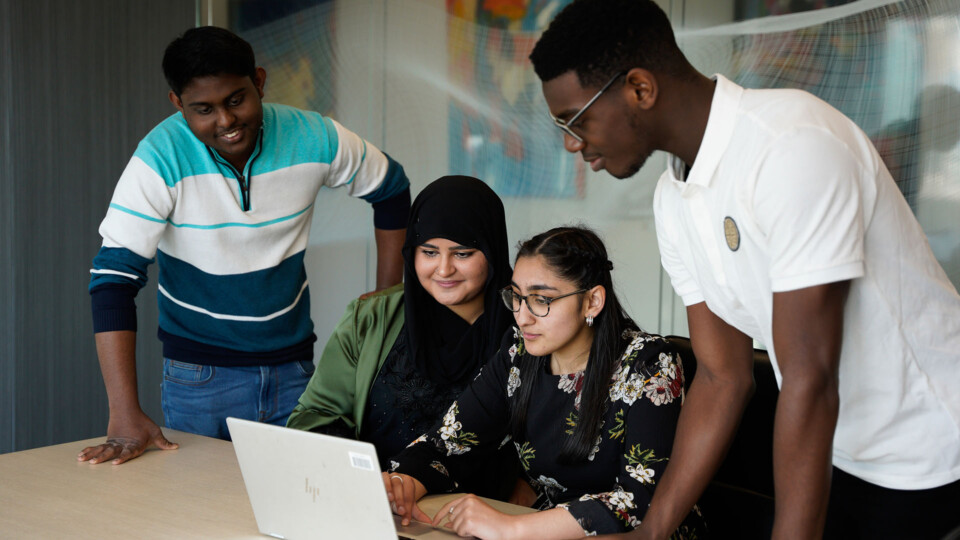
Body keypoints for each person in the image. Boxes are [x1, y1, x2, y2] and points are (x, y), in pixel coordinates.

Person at [529, 1, 960, 539]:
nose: (572, 141)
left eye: (576, 119)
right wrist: (651, 532)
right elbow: (721, 376)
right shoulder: (674, 198)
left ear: (639, 88)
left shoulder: (791, 146)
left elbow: (809, 378)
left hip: (936, 452)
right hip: (841, 450)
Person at [78, 26, 411, 465]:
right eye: (203, 109)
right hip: (199, 379)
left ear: (259, 80)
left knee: (302, 515)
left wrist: (386, 296)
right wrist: (123, 411)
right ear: (178, 104)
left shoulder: (315, 136)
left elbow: (390, 188)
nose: (226, 121)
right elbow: (113, 280)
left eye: (236, 99)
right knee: (202, 523)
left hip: (296, 372)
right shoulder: (158, 158)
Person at [383, 226, 706, 539]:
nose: (523, 316)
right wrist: (403, 482)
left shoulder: (649, 364)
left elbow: (639, 500)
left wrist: (512, 530)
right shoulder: (519, 353)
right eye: (517, 297)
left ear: (592, 301)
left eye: (541, 300)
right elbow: (447, 442)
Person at [287, 175, 519, 500]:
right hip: (376, 503)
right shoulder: (370, 317)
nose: (443, 269)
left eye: (463, 253)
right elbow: (314, 416)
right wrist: (364, 478)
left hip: (485, 517)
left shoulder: (529, 325)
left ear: (492, 251)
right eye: (429, 252)